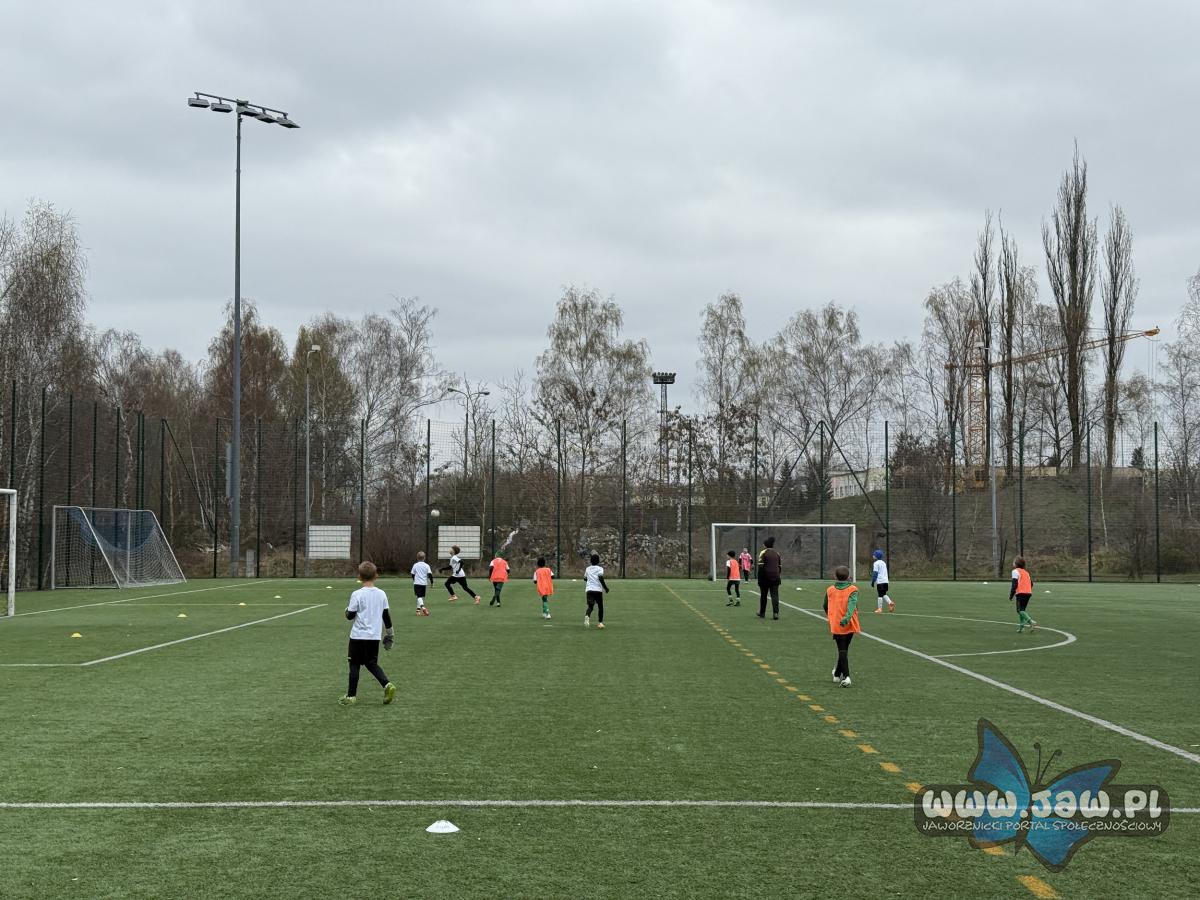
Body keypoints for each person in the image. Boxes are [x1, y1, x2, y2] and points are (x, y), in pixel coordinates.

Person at [340, 561, 397, 706]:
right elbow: (386, 616)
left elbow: (350, 615)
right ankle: (387, 685)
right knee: (371, 663)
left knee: (354, 664)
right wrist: (390, 634)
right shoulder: (382, 594)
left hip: (358, 636)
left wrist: (346, 610)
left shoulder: (357, 594)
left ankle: (351, 696)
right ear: (376, 576)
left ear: (359, 577)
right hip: (374, 637)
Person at [823, 564, 860, 687]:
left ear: (835, 576)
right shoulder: (853, 589)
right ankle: (842, 675)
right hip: (850, 623)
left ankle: (841, 675)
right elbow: (852, 605)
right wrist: (847, 618)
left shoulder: (830, 590)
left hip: (837, 623)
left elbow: (825, 605)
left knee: (842, 650)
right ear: (849, 577)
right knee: (843, 649)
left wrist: (831, 616)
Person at [756, 536, 782, 620]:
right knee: (775, 595)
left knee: (763, 595)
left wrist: (760, 579)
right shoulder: (777, 553)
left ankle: (762, 613)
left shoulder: (763, 552)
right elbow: (779, 566)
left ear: (765, 545)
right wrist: (777, 575)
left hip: (765, 577)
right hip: (776, 577)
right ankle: (775, 613)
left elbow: (760, 566)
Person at [1010, 556, 1036, 633]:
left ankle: (1031, 622)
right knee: (1022, 610)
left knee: (1019, 610)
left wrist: (1011, 595)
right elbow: (1031, 583)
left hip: (1021, 593)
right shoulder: (1026, 572)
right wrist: (1027, 589)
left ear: (1016, 564)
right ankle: (1021, 628)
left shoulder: (1015, 571)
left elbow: (1014, 584)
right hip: (1028, 593)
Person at [584, 552, 609, 629]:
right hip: (597, 590)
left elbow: (585, 578)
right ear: (598, 561)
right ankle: (600, 623)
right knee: (600, 606)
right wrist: (605, 588)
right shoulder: (600, 569)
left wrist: (590, 580)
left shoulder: (587, 569)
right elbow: (600, 578)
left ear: (590, 561)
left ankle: (587, 615)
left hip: (589, 589)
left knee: (590, 606)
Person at [410, 551, 432, 616]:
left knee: (419, 596)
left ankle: (423, 607)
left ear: (417, 558)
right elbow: (430, 574)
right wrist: (432, 582)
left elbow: (412, 574)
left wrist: (414, 579)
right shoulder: (427, 565)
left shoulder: (415, 565)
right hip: (424, 583)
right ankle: (418, 610)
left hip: (417, 583)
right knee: (421, 597)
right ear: (424, 558)